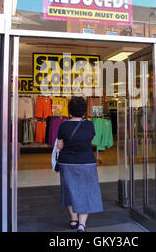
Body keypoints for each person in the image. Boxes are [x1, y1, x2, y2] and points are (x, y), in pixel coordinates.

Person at [56, 96, 103, 232]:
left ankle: (73, 219)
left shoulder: (63, 125)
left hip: (68, 162)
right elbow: (92, 140)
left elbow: (59, 146)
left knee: (70, 191)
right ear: (83, 111)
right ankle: (82, 225)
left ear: (69, 110)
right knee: (86, 192)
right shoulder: (89, 124)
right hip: (86, 162)